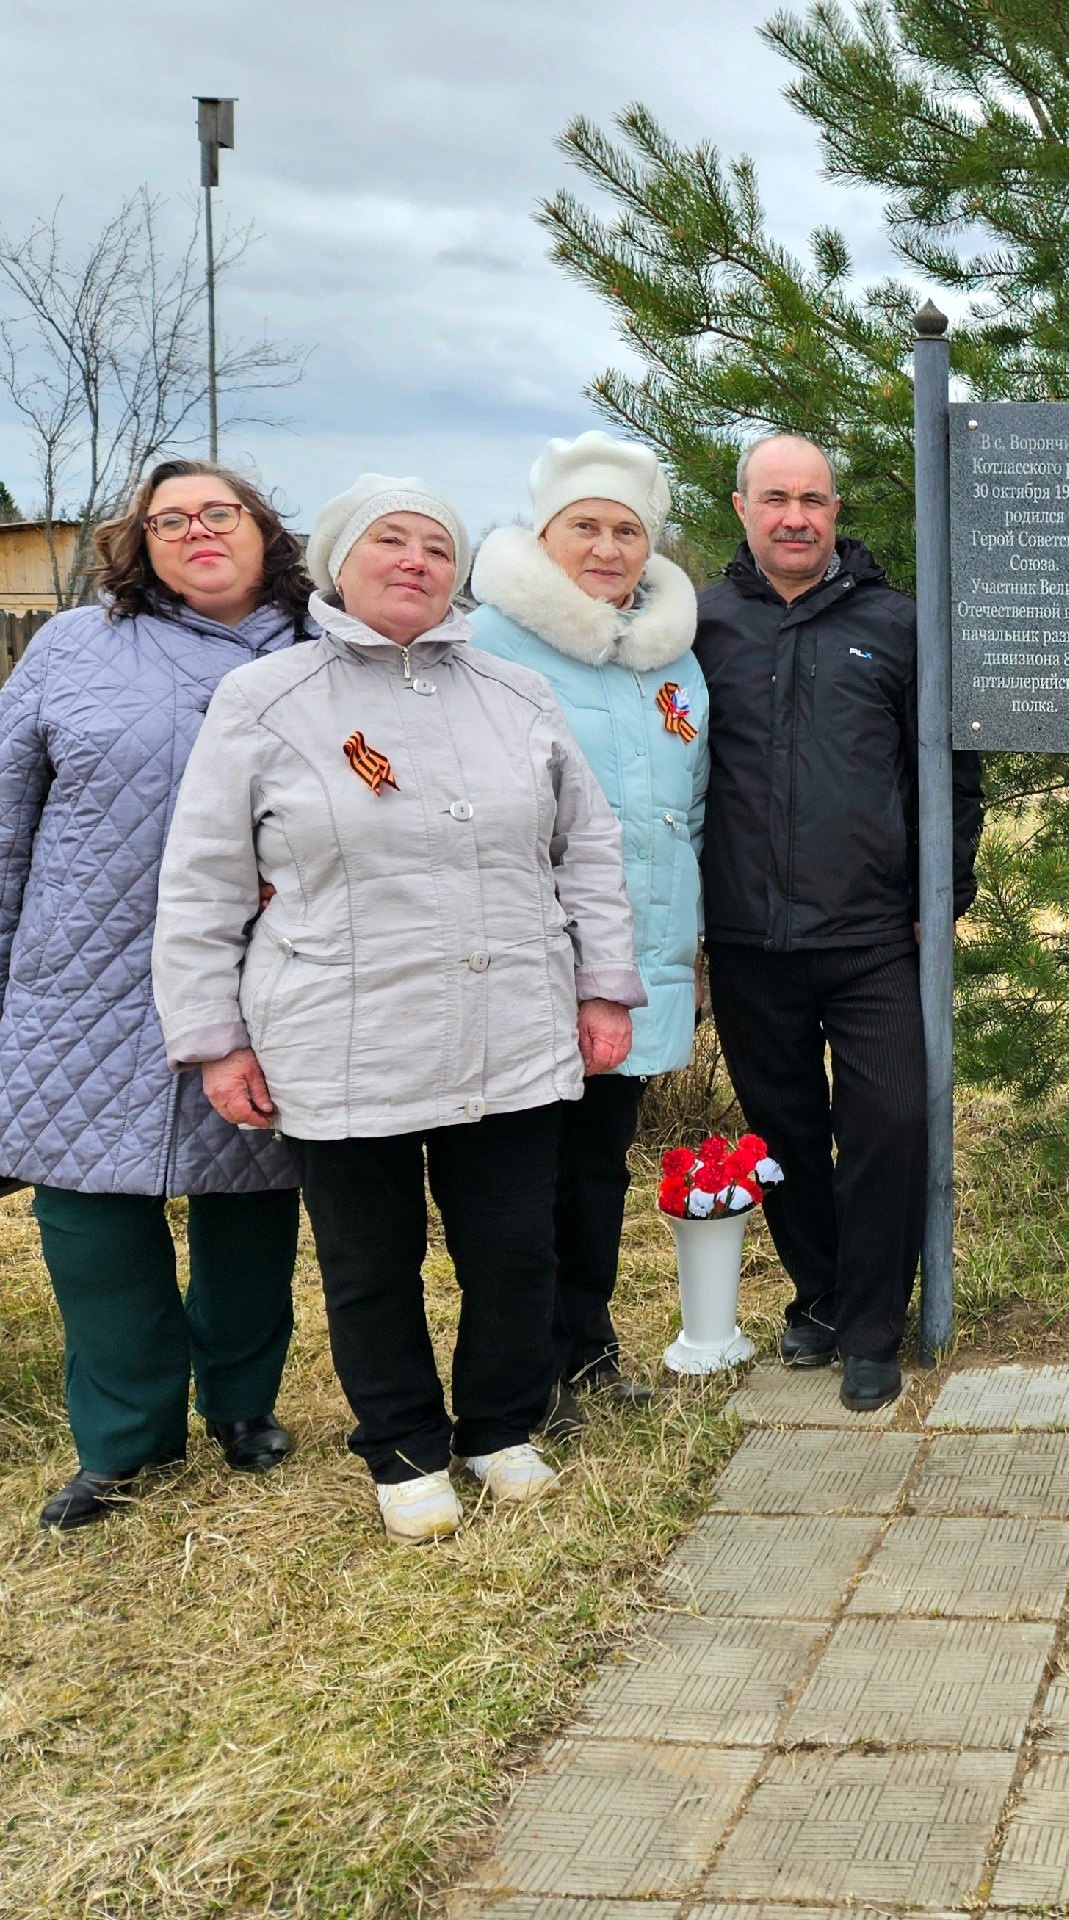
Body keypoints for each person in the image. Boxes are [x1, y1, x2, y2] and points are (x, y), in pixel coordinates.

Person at [154, 476, 644, 1544]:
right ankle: (405, 1445)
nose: (415, 560)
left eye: (435, 545)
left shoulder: (514, 695)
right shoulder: (270, 700)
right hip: (340, 1029)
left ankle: (499, 1427)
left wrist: (604, 985)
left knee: (514, 1248)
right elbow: (203, 878)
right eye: (390, 541)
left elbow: (588, 848)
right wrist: (212, 1040)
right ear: (339, 564)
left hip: (509, 1014)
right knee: (371, 1259)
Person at [0, 462, 308, 1530]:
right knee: (87, 1214)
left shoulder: (320, 651)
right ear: (139, 544)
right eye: (168, 520)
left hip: (259, 975)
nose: (196, 532)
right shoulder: (73, 648)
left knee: (253, 1202)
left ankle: (240, 1405)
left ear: (263, 530)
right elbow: (6, 815)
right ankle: (124, 1436)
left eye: (219, 512)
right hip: (82, 976)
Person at [693, 434, 984, 1414]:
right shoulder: (699, 628)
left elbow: (953, 773)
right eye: (775, 498)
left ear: (835, 510)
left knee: (889, 1125)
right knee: (781, 1134)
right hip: (744, 936)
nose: (795, 517)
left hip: (870, 935)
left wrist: (941, 901)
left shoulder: (897, 625)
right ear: (741, 508)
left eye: (813, 499)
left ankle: (871, 1327)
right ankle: (818, 1295)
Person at [469, 432, 707, 1415]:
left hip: (639, 958)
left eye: (626, 530)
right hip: (530, 955)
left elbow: (687, 807)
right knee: (529, 1174)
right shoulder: (488, 648)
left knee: (600, 1165)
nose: (606, 549)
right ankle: (528, 1365)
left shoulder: (674, 663)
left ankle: (590, 1344)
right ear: (543, 534)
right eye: (584, 528)